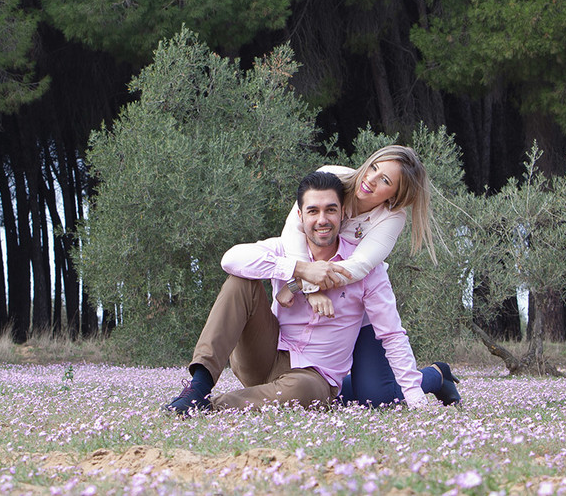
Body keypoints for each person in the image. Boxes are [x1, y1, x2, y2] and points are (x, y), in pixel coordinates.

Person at [164, 171, 438, 415]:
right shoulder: (283, 249)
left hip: (313, 378)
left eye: (330, 210)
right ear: (300, 215)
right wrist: (298, 271)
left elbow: (391, 334)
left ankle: (211, 407)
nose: (322, 220)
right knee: (241, 282)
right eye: (313, 211)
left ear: (343, 214)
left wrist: (415, 399)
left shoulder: (365, 269)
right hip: (266, 356)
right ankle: (198, 388)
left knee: (309, 392)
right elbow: (230, 259)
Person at [276, 145, 460, 407]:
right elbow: (292, 232)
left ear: (395, 195)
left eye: (385, 180)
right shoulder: (331, 177)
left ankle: (436, 376)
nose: (370, 180)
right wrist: (308, 287)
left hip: (358, 307)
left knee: (377, 398)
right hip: (316, 301)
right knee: (315, 383)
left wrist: (305, 284)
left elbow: (359, 266)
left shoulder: (391, 217)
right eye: (374, 167)